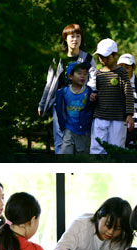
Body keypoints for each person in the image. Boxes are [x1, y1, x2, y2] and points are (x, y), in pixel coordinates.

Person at [38, 23, 97, 154]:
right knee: (60, 140)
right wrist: (42, 105)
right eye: (72, 36)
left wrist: (91, 93)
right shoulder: (58, 58)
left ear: (81, 39)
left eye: (78, 36)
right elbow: (49, 83)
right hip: (60, 102)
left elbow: (93, 79)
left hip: (81, 104)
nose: (75, 39)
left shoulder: (87, 58)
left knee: (81, 141)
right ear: (65, 38)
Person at [90, 38, 135, 154]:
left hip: (118, 118)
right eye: (100, 56)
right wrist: (92, 96)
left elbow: (128, 93)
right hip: (100, 116)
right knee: (97, 147)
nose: (103, 60)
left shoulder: (122, 72)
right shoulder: (98, 73)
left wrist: (129, 114)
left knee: (116, 148)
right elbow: (95, 91)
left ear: (115, 55)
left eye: (106, 57)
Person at [56, 61, 94, 154]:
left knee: (82, 157)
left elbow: (92, 108)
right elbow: (60, 109)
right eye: (79, 73)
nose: (83, 76)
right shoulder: (64, 92)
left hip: (84, 131)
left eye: (85, 74)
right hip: (69, 129)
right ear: (70, 76)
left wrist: (93, 100)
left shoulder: (89, 92)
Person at [117, 53, 137, 151]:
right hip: (118, 126)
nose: (123, 70)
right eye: (121, 67)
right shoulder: (114, 83)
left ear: (133, 68)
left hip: (136, 127)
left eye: (127, 67)